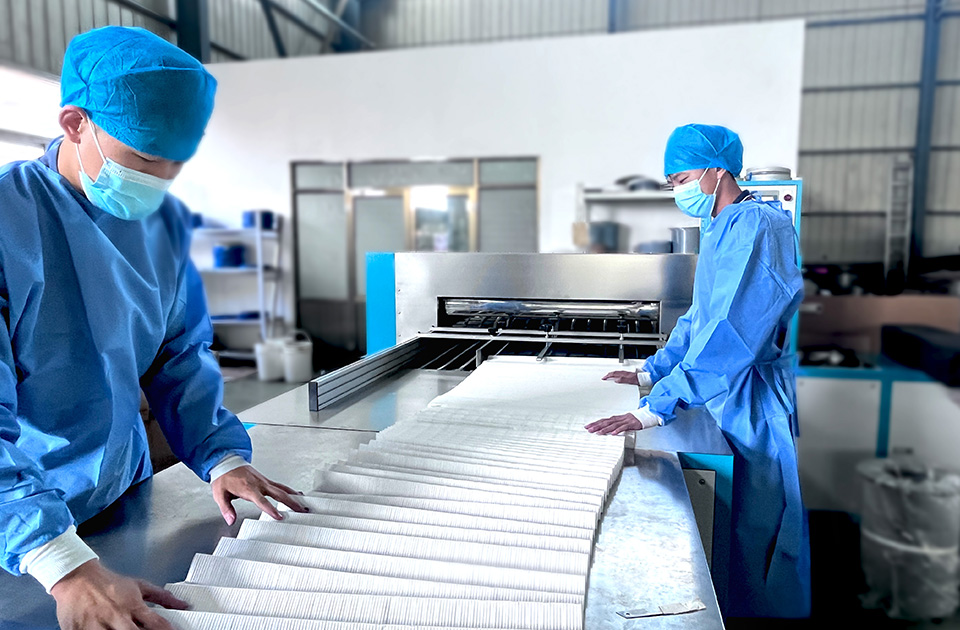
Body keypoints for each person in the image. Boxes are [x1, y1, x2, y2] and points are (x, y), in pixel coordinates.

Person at [0, 27, 307, 630]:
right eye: (143, 159)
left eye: (174, 162)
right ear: (75, 124)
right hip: (19, 519)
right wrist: (62, 565)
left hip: (119, 494)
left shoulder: (163, 227)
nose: (159, 177)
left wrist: (220, 455)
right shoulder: (10, 223)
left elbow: (180, 356)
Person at [585, 124, 811, 618]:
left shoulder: (758, 227)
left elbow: (733, 330)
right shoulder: (719, 227)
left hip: (751, 399)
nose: (679, 191)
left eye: (683, 179)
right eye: (672, 183)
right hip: (720, 392)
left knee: (758, 522)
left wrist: (657, 407)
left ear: (718, 170)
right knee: (731, 526)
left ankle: (760, 616)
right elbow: (700, 317)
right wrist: (653, 372)